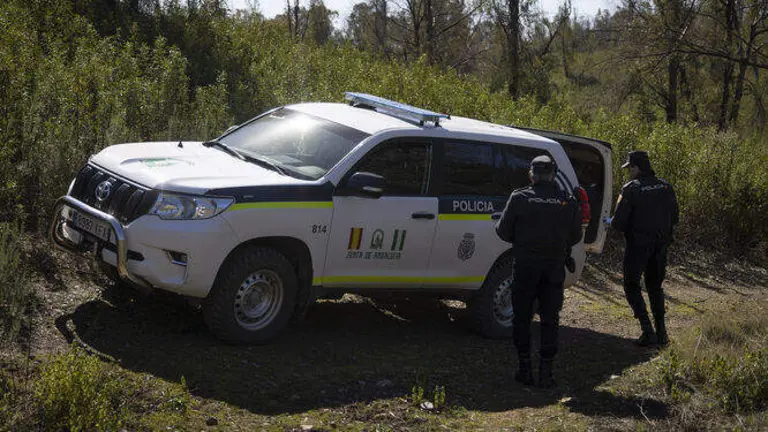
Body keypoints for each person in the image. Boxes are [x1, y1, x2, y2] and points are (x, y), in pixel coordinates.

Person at [495, 155, 582, 388]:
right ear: (554, 175)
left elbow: (503, 232)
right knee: (550, 319)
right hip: (553, 268)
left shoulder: (520, 198)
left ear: (531, 175)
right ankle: (546, 372)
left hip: (526, 267)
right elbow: (576, 236)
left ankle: (525, 369)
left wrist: (523, 238)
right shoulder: (568, 201)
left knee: (522, 317)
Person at [612, 150, 679, 347]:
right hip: (661, 245)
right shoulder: (666, 186)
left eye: (629, 169)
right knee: (655, 287)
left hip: (638, 246)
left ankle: (647, 331)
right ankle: (662, 334)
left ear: (636, 167)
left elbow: (618, 223)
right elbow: (675, 217)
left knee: (631, 285)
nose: (628, 173)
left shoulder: (631, 189)